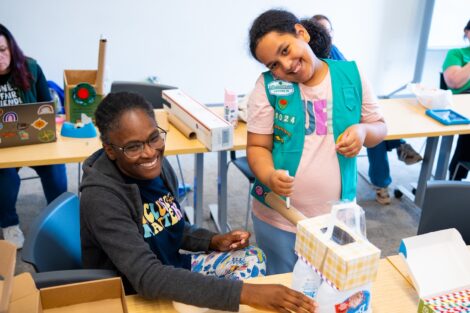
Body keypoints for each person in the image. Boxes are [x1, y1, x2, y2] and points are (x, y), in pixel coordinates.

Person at [80, 92, 318, 313]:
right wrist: (245, 293)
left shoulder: (156, 169)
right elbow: (146, 275)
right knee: (247, 292)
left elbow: (171, 225)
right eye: (133, 147)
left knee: (252, 257)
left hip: (171, 267)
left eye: (154, 138)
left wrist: (212, 240)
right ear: (110, 150)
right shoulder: (102, 197)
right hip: (134, 292)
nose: (150, 153)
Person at [246, 9, 387, 274]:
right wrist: (268, 174)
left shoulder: (351, 75)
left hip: (337, 216)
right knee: (284, 284)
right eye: (273, 64)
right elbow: (257, 146)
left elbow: (380, 127)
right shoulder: (268, 87)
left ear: (302, 33)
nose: (285, 65)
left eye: (285, 50)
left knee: (331, 283)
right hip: (279, 217)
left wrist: (362, 132)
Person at [311, 14, 423, 205]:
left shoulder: (334, 51)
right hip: (323, 113)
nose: (325, 36)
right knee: (369, 129)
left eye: (328, 32)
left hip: (345, 107)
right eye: (320, 32)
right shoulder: (307, 59)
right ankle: (397, 148)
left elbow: (351, 83)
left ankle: (383, 179)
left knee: (370, 128)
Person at [0, 24, 67, 249]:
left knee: (56, 170)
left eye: (2, 50)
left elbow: (47, 108)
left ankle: (58, 219)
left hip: (35, 140)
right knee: (4, 178)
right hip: (2, 148)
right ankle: (9, 224)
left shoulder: (31, 67)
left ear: (11, 47)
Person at [444, 19, 470, 180]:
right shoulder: (457, 53)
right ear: (467, 32)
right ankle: (456, 178)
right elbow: (454, 81)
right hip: (463, 101)